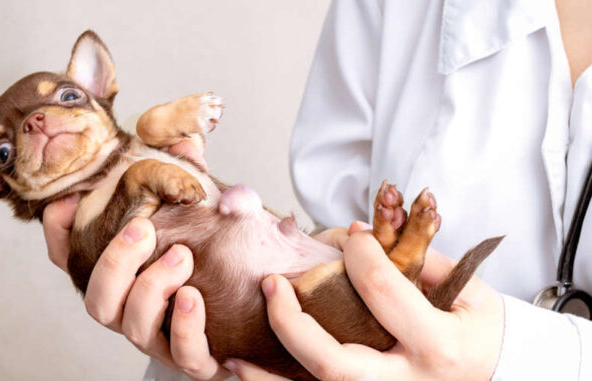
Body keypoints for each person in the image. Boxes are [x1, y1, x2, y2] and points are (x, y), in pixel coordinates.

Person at [43, 0, 592, 379]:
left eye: (65, 101)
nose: (43, 128)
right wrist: (206, 358)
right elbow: (316, 260)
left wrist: (514, 358)